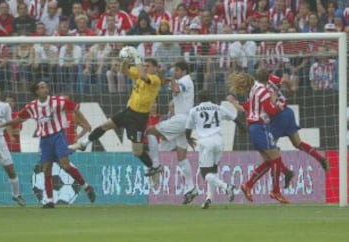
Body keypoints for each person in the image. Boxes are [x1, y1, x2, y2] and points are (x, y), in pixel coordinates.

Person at [0, 81, 95, 208]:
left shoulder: (57, 101)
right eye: (42, 87)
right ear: (36, 91)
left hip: (58, 136)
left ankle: (86, 187)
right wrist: (4, 124)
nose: (45, 89)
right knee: (46, 169)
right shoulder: (32, 106)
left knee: (65, 165)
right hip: (44, 139)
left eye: (46, 87)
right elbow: (20, 118)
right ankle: (50, 200)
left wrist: (86, 124)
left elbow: (75, 108)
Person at [69, 50, 162, 180]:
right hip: (129, 112)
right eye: (144, 65)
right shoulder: (140, 73)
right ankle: (84, 143)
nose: (145, 67)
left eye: (148, 66)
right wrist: (125, 59)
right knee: (105, 125)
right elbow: (123, 70)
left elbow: (142, 76)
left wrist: (137, 58)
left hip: (139, 119)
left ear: (155, 68)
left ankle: (154, 167)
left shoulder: (155, 79)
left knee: (137, 152)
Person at [229, 69, 290, 204]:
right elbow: (270, 111)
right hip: (261, 127)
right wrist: (281, 106)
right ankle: (276, 191)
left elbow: (247, 107)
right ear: (267, 78)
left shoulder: (253, 89)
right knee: (276, 159)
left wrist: (234, 102)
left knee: (269, 162)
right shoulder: (262, 91)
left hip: (253, 128)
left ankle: (248, 185)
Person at [145, 60, 197, 205]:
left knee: (150, 131)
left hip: (181, 119)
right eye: (174, 70)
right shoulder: (180, 80)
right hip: (185, 122)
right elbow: (162, 84)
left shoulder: (186, 80)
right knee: (181, 158)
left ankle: (155, 165)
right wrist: (161, 74)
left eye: (177, 70)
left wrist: (172, 79)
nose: (175, 73)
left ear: (184, 71)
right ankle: (191, 188)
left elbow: (175, 89)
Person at [185, 90, 236, 209]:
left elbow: (187, 129)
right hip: (219, 141)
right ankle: (209, 199)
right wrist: (244, 128)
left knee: (205, 173)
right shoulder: (218, 107)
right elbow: (234, 117)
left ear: (199, 98)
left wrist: (189, 139)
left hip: (206, 142)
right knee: (213, 171)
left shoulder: (194, 110)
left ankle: (226, 186)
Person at [0, 84, 25, 206]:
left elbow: (9, 122)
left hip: (1, 140)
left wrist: (11, 135)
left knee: (10, 169)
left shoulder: (5, 106)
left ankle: (16, 195)